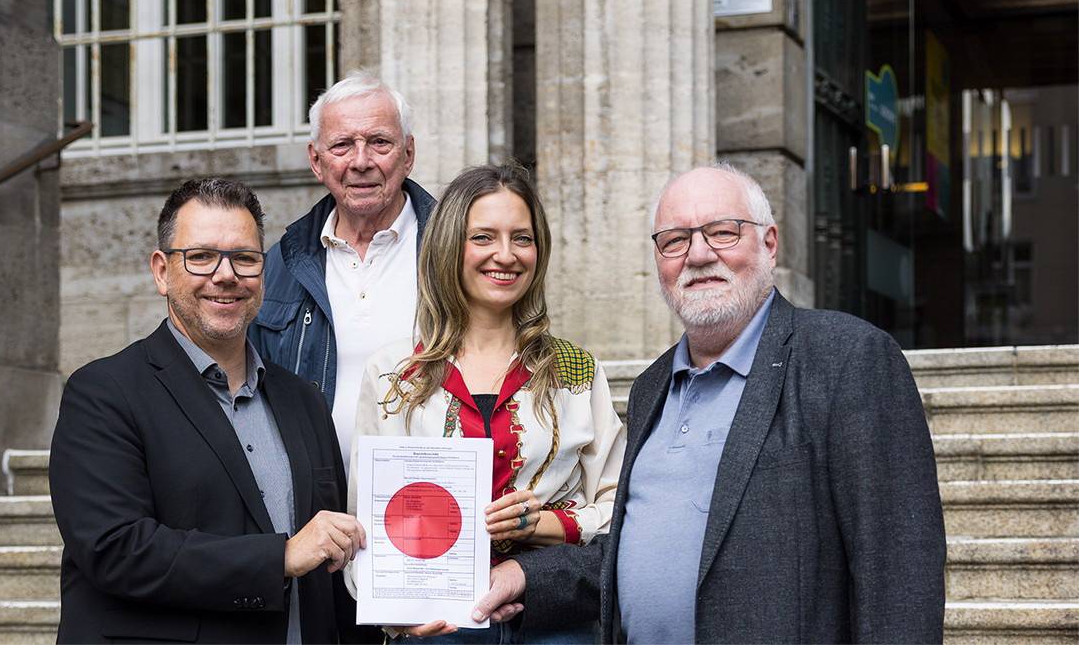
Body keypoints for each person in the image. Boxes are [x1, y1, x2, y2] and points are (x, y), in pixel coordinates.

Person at [475, 163, 947, 642]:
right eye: (675, 240)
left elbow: (899, 568)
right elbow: (634, 553)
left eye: (723, 233)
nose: (698, 255)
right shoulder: (653, 385)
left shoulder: (845, 359)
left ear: (769, 243)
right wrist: (526, 576)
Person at [50, 178, 372, 644]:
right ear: (161, 271)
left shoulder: (303, 400)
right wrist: (279, 557)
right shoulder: (103, 392)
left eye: (245, 258)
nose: (226, 275)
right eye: (200, 257)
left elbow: (332, 554)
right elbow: (115, 548)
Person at [348, 164, 626, 642]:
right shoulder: (394, 375)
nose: (506, 255)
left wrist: (544, 523)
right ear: (450, 246)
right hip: (438, 627)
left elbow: (619, 508)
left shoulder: (575, 371)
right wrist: (391, 613)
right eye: (483, 237)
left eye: (522, 237)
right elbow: (366, 524)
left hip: (554, 622)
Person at [250, 72, 436, 475]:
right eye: (342, 145)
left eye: (379, 142)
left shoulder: (454, 250)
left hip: (432, 508)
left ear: (408, 154)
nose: (361, 161)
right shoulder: (280, 264)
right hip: (314, 511)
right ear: (317, 160)